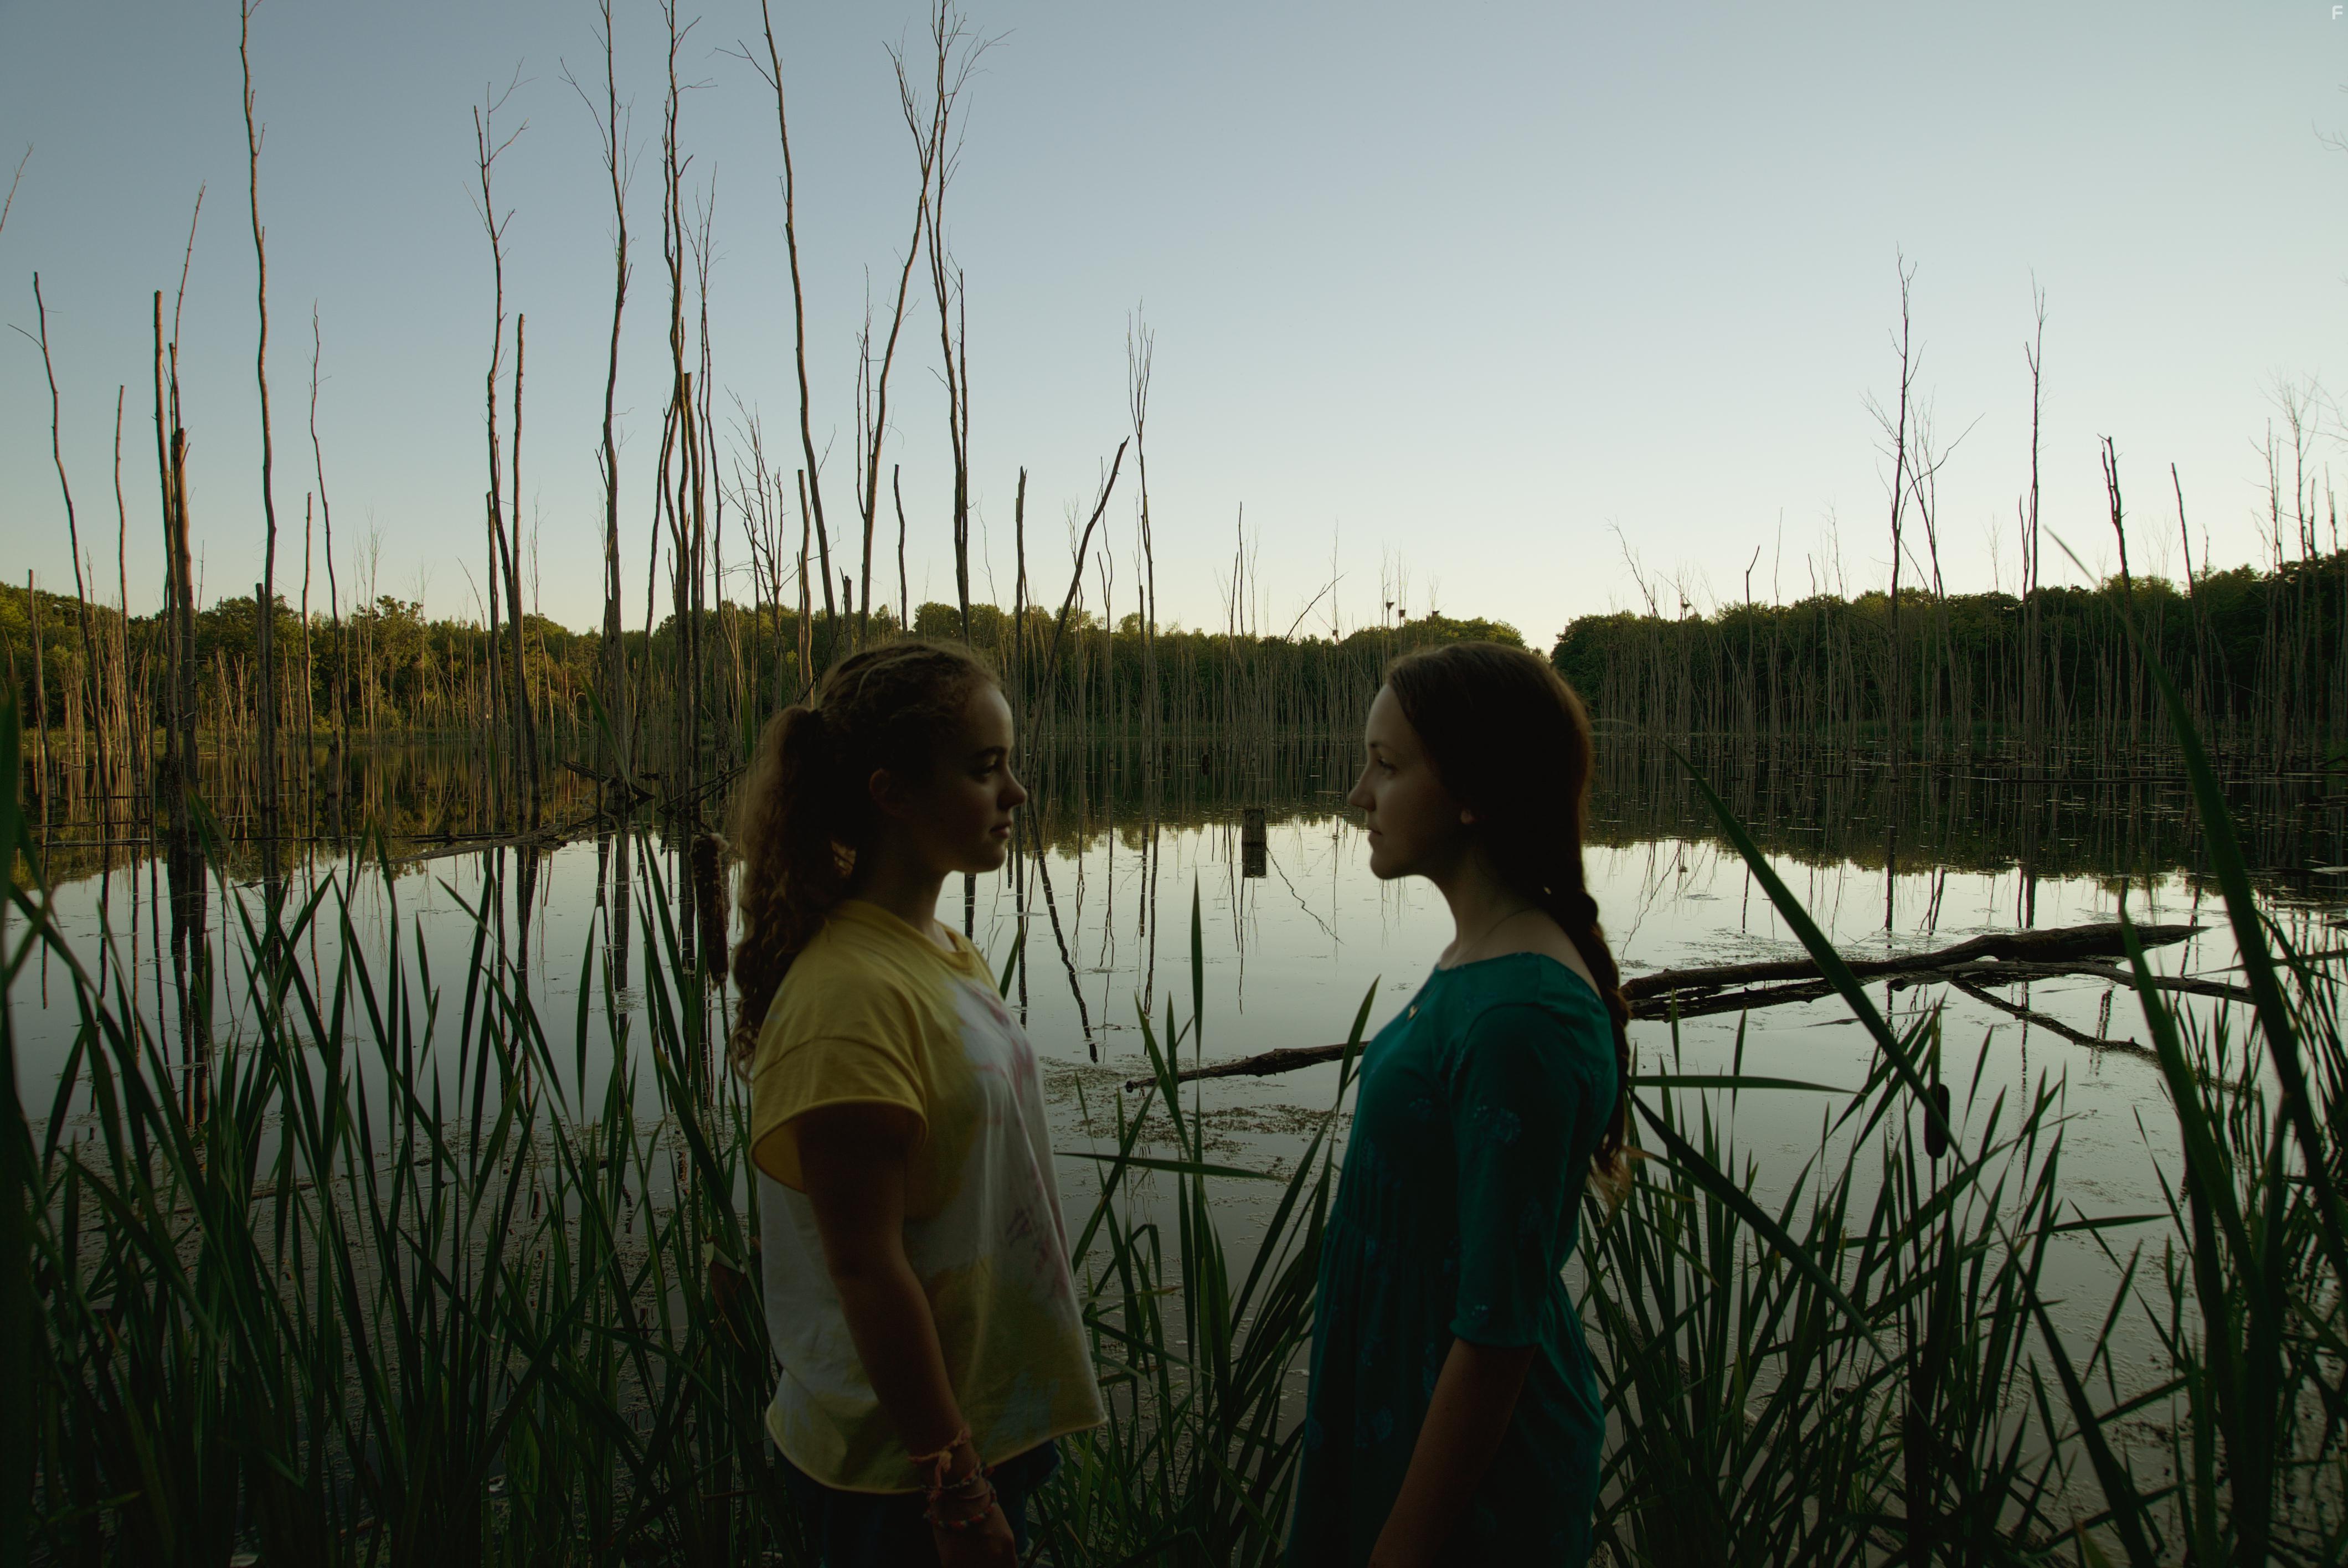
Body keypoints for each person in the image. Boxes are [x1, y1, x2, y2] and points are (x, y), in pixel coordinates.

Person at [729, 641, 1105, 1567]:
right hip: (898, 1475)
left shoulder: (936, 948)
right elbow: (864, 1266)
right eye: (986, 770)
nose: (1016, 793)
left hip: (978, 1428)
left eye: (1009, 765)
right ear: (891, 792)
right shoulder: (847, 997)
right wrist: (954, 1479)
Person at [1286, 641, 1631, 1567]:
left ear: (1475, 790)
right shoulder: (1484, 960)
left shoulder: (1523, 1014)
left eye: (1387, 766)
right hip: (1398, 1407)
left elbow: (1496, 1336)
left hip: (1464, 1485)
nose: (1358, 792)